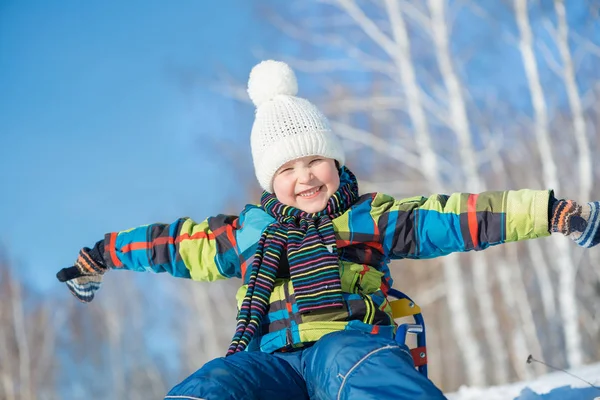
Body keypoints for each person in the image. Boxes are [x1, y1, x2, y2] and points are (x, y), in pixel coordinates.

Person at [57, 60, 600, 400]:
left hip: (349, 345)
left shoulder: (370, 217)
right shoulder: (248, 233)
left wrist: (549, 211)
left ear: (336, 163)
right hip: (269, 362)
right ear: (270, 182)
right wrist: (103, 254)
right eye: (287, 169)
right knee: (218, 382)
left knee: (353, 364)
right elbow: (170, 245)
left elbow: (457, 215)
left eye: (314, 161)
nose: (304, 177)